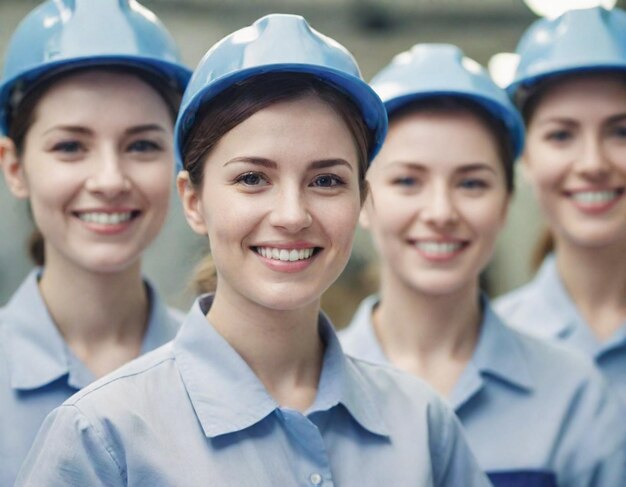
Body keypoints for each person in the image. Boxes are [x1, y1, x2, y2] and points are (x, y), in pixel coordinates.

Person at [16, 15, 492, 486]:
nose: (292, 215)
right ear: (193, 201)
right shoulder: (102, 437)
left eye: (326, 180)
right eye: (252, 178)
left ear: (363, 201)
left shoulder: (423, 425)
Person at [339, 43, 626, 487]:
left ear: (507, 203)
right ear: (361, 199)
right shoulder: (313, 386)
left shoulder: (571, 391)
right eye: (408, 181)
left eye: (472, 183)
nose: (440, 212)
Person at [0, 0, 191, 484]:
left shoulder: (227, 368)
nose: (109, 180)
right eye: (70, 146)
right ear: (15, 167)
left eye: (142, 145)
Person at [494, 6, 626, 404]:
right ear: (525, 159)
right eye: (561, 135)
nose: (592, 164)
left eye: (621, 131)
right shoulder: (491, 345)